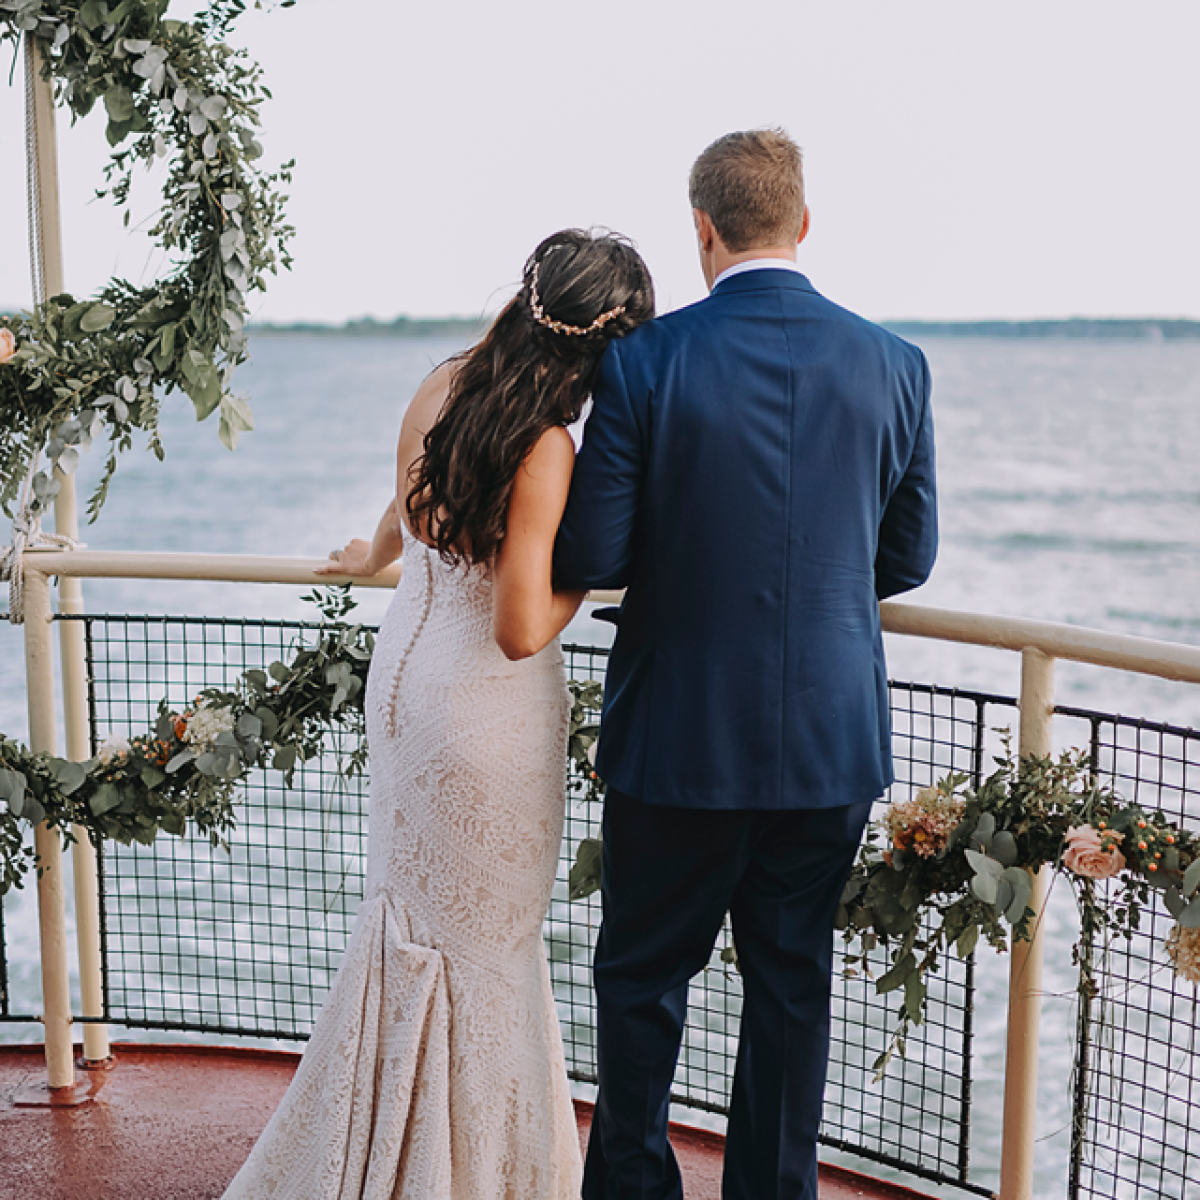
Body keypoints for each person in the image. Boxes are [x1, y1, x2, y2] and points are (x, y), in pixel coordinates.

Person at [221, 229, 655, 1200]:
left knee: (407, 925)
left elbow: (408, 502)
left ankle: (381, 1159)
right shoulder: (546, 446)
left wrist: (371, 555)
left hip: (405, 692)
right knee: (488, 950)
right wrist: (600, 573)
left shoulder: (444, 384)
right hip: (485, 717)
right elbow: (519, 626)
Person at [553, 129, 938, 1200]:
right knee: (790, 988)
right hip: (828, 740)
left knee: (642, 982)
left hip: (677, 739)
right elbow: (907, 557)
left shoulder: (644, 360)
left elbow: (593, 554)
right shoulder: (897, 364)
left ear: (703, 229)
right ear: (802, 222)